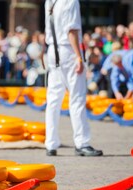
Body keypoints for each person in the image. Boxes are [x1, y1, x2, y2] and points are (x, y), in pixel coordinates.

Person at [44, 0, 103, 156]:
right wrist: (78, 56)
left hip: (52, 50)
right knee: (77, 97)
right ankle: (82, 142)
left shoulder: (50, 1)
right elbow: (72, 30)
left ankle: (51, 143)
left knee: (53, 99)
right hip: (68, 50)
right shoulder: (70, 1)